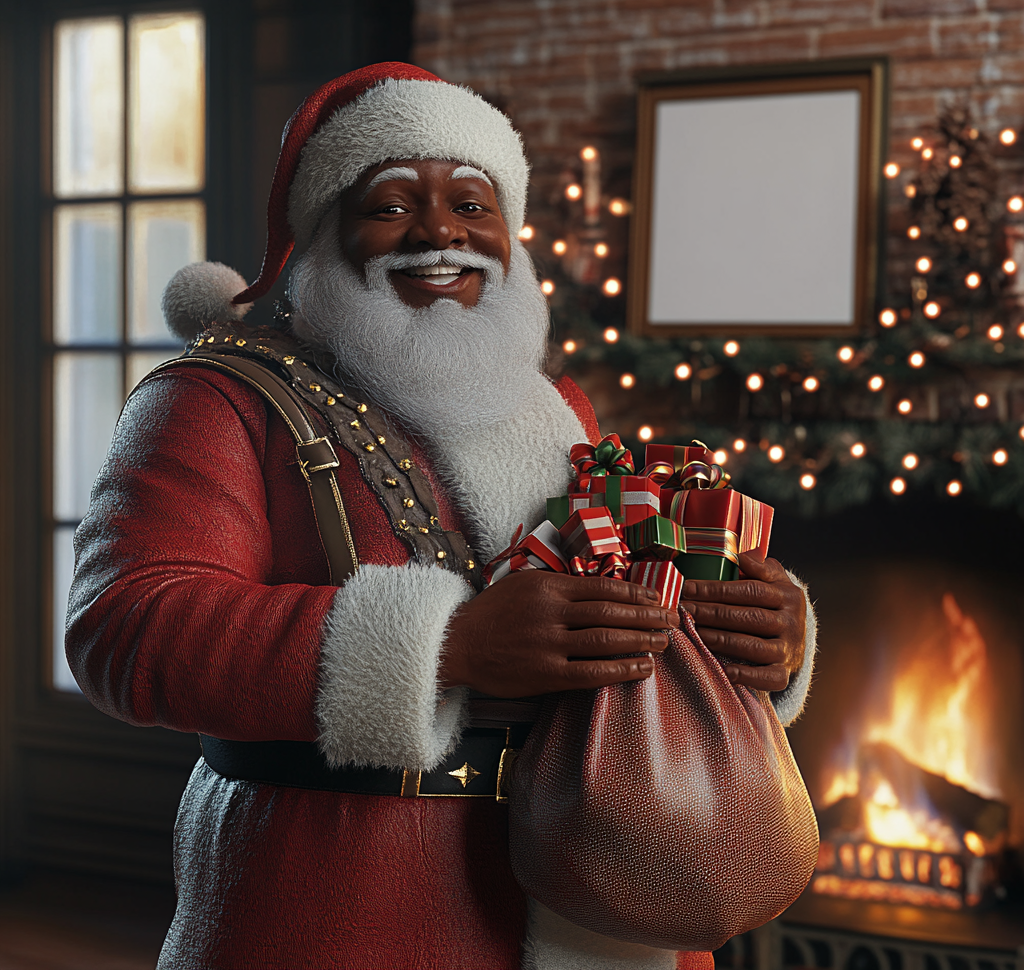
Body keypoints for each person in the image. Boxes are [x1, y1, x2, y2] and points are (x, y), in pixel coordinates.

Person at [66, 62, 816, 970]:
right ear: (322, 233)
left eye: (471, 205)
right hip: (343, 902)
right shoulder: (216, 399)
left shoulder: (557, 408)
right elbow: (124, 628)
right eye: (390, 206)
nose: (439, 235)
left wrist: (760, 639)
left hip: (603, 900)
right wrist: (448, 645)